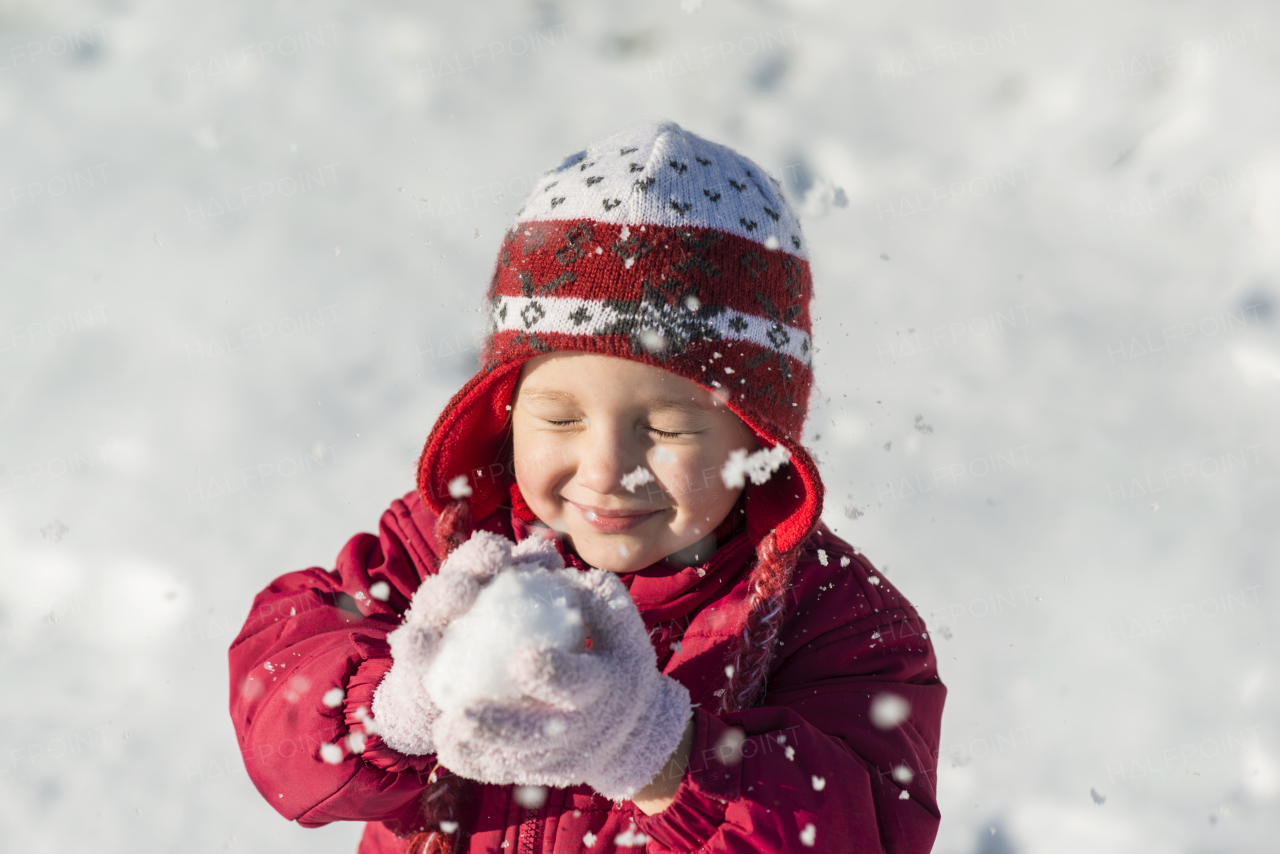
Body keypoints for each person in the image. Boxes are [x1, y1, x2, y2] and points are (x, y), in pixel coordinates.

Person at [229, 120, 945, 854]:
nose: (605, 470)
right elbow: (280, 699)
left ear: (758, 438)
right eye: (560, 416)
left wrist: (655, 750)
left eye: (666, 429)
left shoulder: (839, 622)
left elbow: (865, 831)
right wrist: (397, 704)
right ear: (505, 411)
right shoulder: (440, 550)